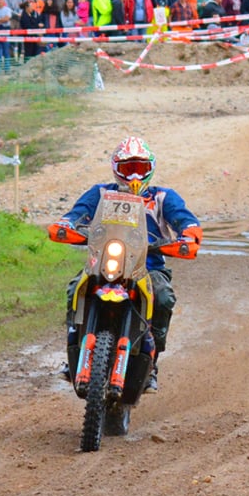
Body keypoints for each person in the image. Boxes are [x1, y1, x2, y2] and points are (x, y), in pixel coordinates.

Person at [50, 137, 201, 387]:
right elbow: (75, 214)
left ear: (150, 169)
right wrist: (66, 225)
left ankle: (152, 361)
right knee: (74, 289)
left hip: (148, 266)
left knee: (162, 298)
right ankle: (74, 351)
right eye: (127, 168)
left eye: (139, 169)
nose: (133, 176)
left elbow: (187, 221)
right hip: (102, 263)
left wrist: (189, 235)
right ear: (116, 169)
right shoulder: (101, 193)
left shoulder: (163, 197)